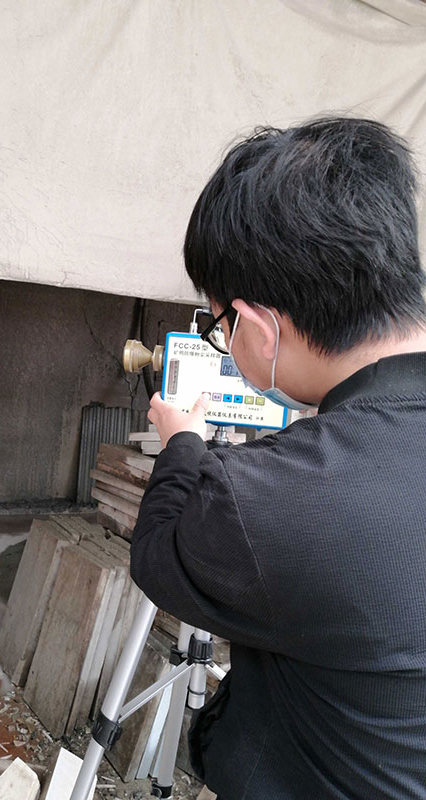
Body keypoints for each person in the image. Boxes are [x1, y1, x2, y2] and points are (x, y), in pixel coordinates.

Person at [129, 117, 426, 799]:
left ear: (261, 329)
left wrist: (182, 445)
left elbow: (158, 555)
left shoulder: (261, 499)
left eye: (221, 326)